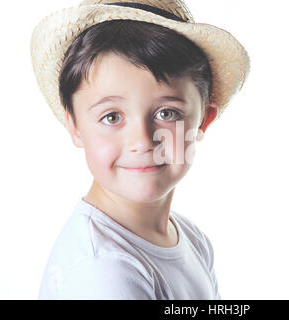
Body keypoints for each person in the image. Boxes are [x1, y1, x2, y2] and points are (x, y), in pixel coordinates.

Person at [30, 0, 250, 299]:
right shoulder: (103, 271)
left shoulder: (190, 239)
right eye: (111, 117)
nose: (143, 141)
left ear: (204, 119)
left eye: (167, 113)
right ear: (75, 126)